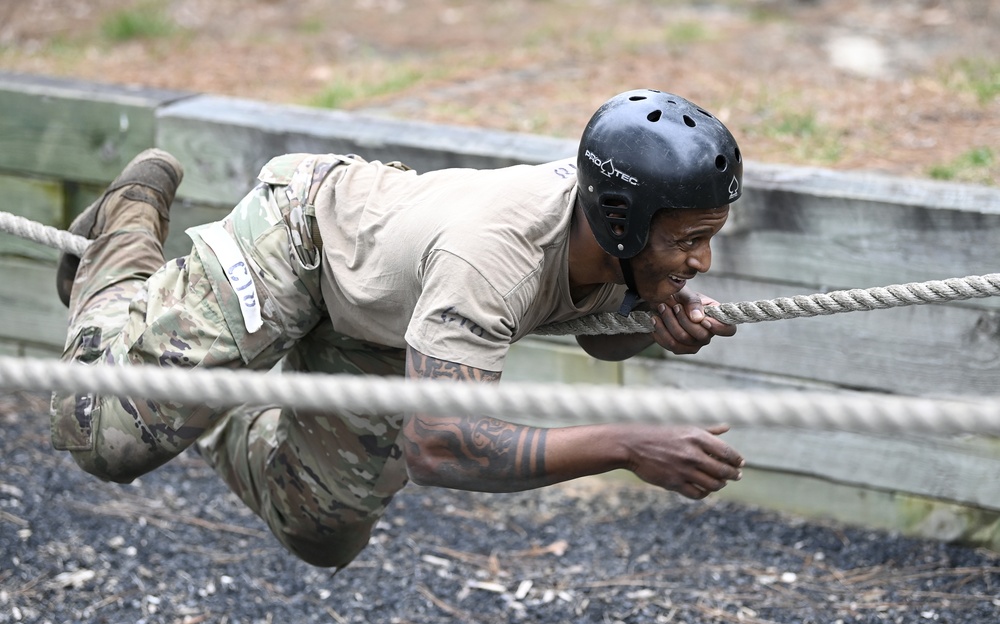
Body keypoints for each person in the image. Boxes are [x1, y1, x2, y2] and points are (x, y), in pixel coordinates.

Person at [50, 88, 746, 569]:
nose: (702, 261)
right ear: (620, 220)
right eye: (687, 241)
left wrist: (650, 326)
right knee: (104, 437)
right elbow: (442, 446)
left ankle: (206, 402)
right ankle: (124, 241)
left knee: (319, 528)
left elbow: (599, 335)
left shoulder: (604, 229)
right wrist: (626, 444)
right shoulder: (497, 256)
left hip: (390, 320)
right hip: (302, 241)